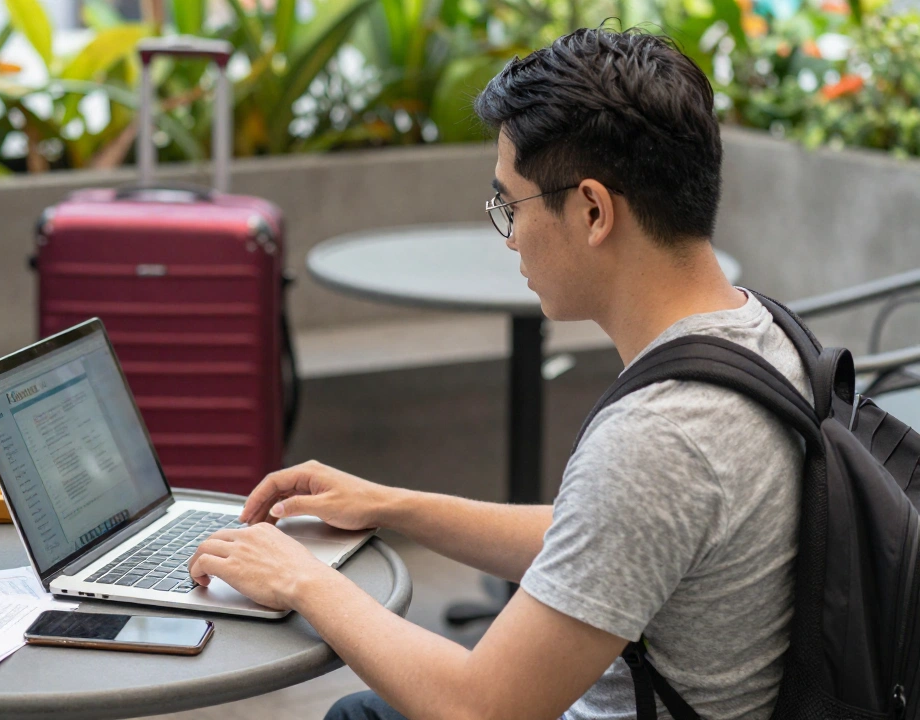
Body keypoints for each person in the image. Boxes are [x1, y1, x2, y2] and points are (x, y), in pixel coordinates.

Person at [188, 26, 809, 720]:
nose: (509, 236)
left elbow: (482, 707)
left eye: (509, 206)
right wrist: (393, 507)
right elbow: (608, 536)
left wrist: (302, 580)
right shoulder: (766, 334)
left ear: (594, 211)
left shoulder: (659, 439)